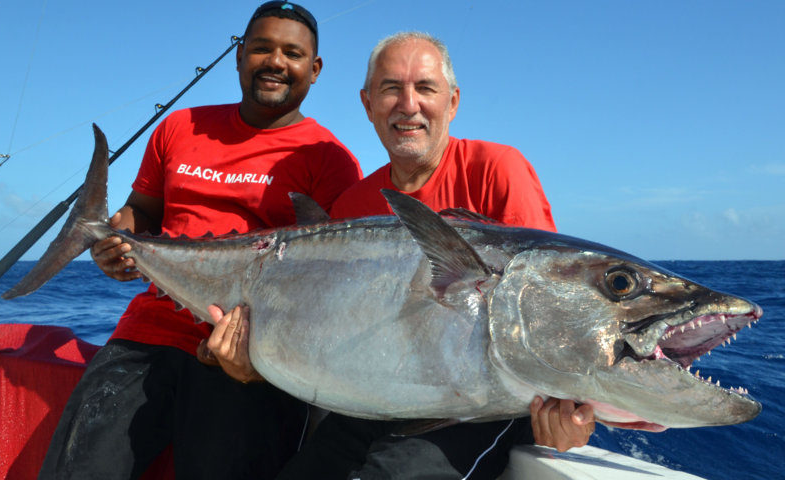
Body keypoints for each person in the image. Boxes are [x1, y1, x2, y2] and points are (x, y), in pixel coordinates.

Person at [205, 31, 595, 479]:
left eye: (425, 88)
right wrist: (251, 359)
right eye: (391, 88)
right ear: (367, 104)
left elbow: (549, 302)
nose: (408, 105)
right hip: (377, 401)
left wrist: (572, 412)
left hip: (478, 408)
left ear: (452, 101)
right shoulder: (353, 204)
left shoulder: (497, 170)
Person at [38, 3, 362, 479]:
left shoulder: (331, 160)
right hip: (148, 333)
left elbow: (329, 283)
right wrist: (116, 237)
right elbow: (143, 210)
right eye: (261, 48)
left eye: (292, 53)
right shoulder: (179, 127)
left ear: (314, 70)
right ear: (238, 56)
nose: (275, 61)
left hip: (251, 354)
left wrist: (256, 356)